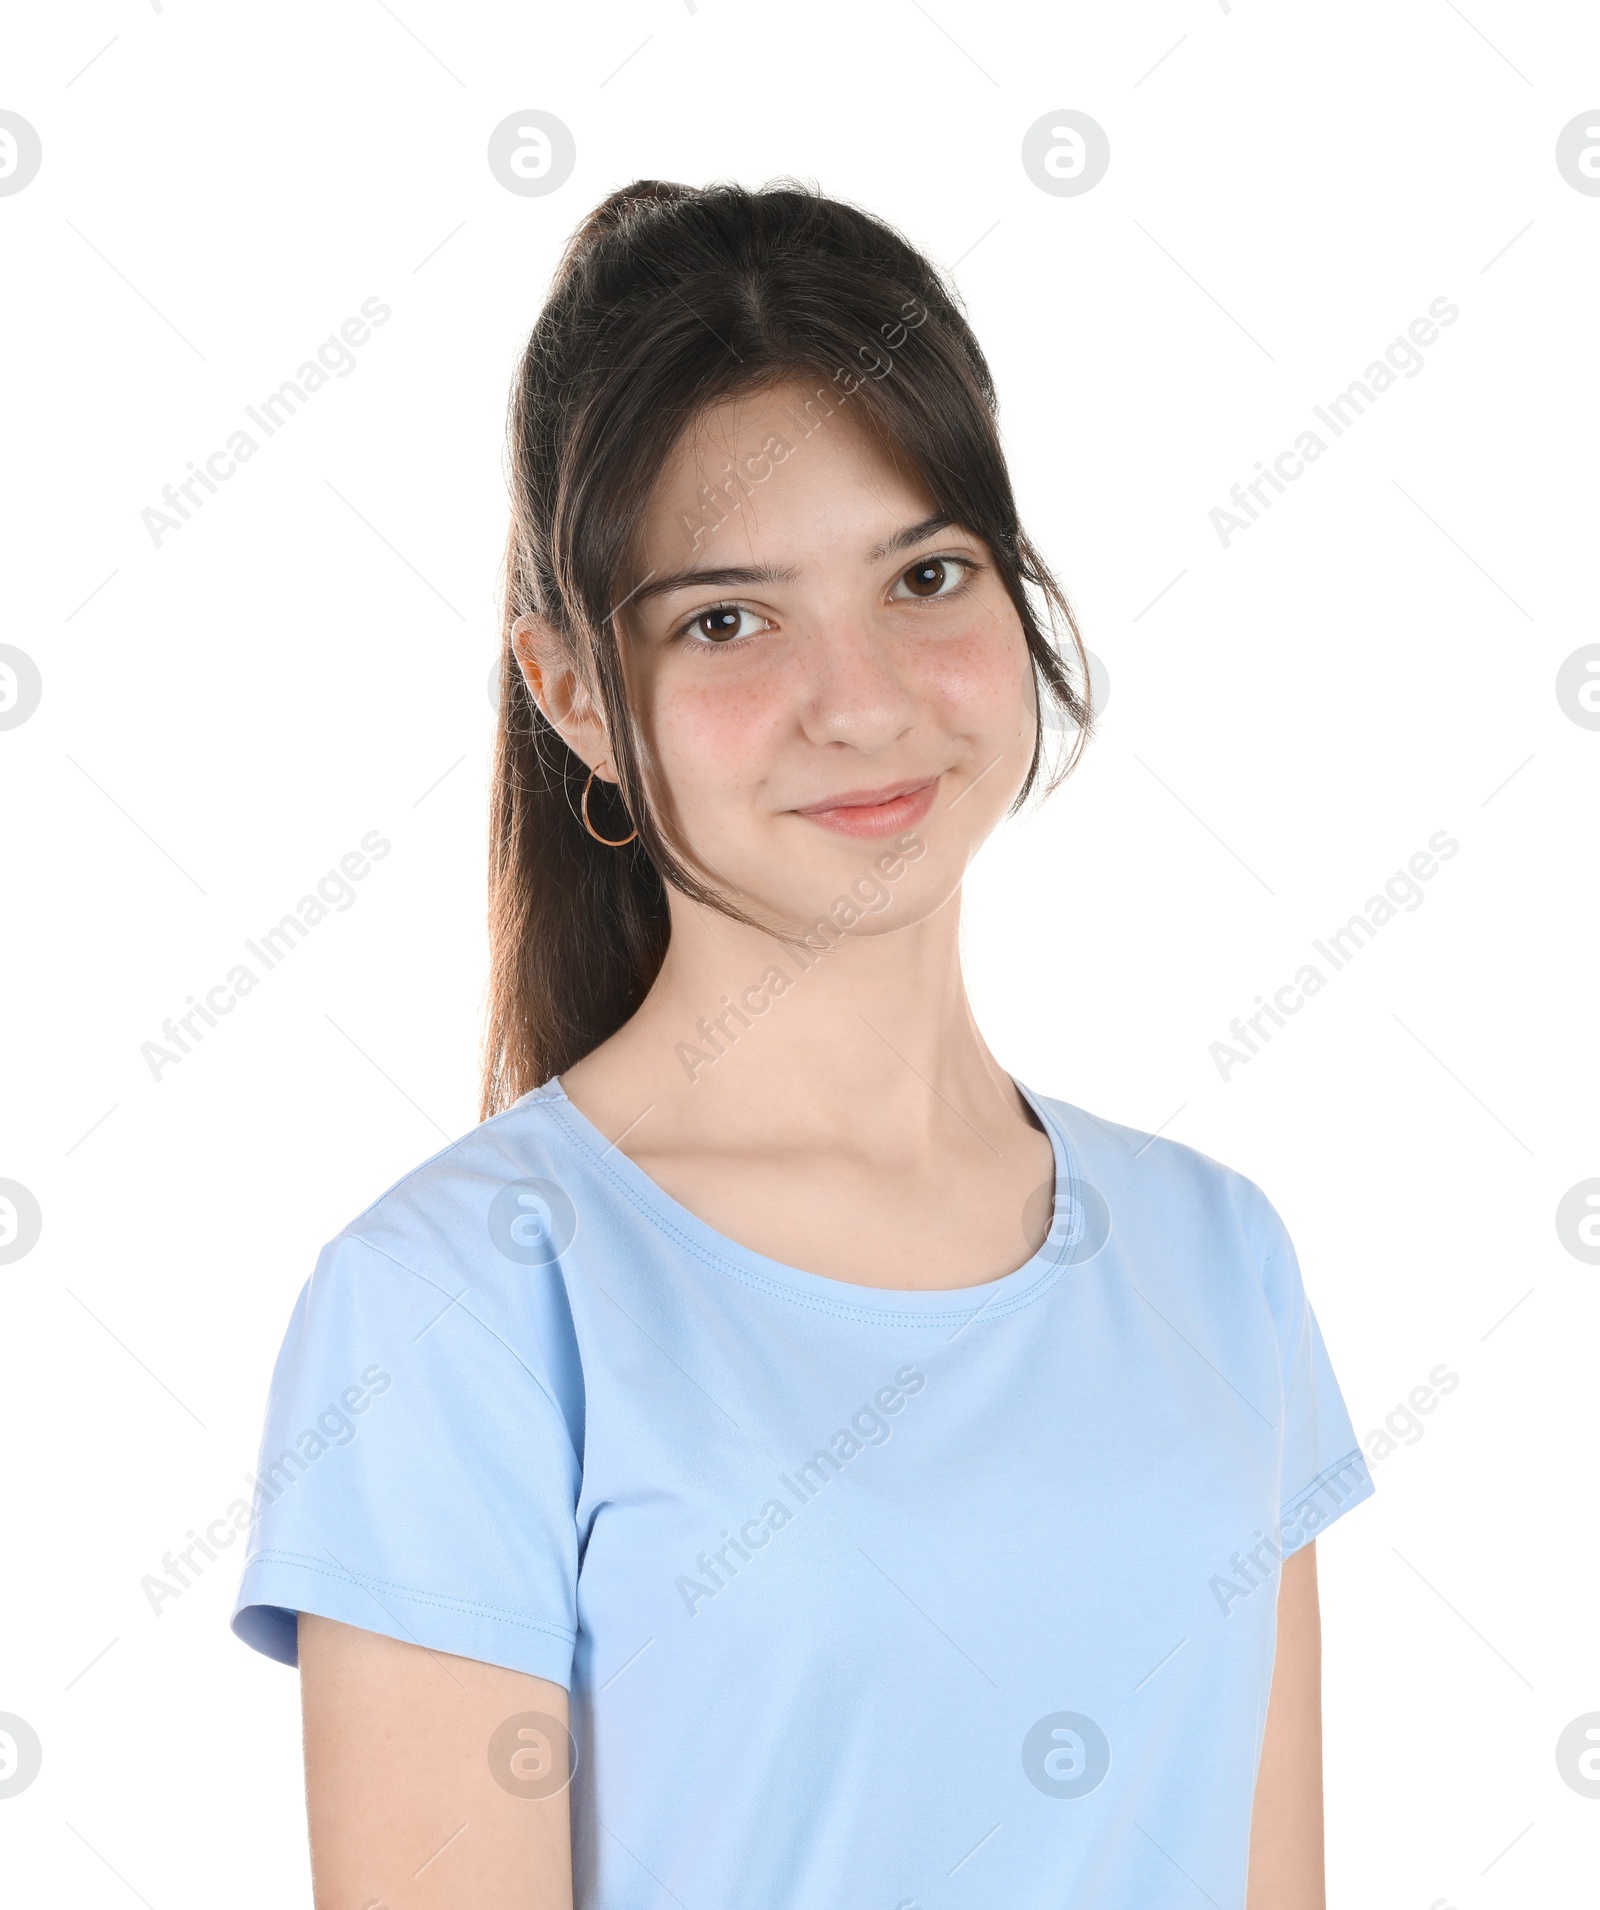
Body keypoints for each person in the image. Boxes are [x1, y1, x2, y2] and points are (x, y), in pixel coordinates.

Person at [232, 178, 1373, 1909]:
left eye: (924, 574)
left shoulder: (1223, 1263)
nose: (861, 699)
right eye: (727, 618)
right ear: (567, 694)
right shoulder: (458, 1304)